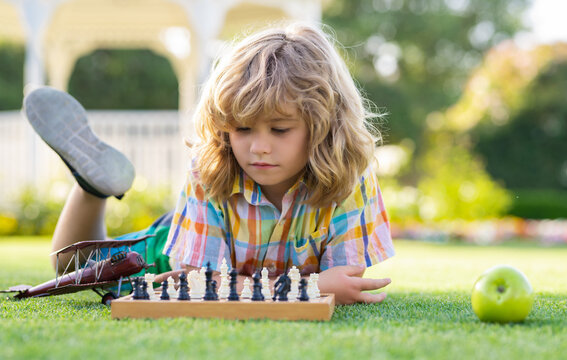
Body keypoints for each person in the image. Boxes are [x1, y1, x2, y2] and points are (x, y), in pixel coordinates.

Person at [23, 22, 394, 305]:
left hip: (223, 264)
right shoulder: (210, 168)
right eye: (243, 129)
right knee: (69, 267)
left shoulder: (350, 176)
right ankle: (91, 188)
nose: (259, 148)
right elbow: (200, 285)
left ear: (325, 126)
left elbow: (346, 279)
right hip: (173, 252)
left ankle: (94, 186)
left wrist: (290, 287)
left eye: (280, 129)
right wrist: (309, 287)